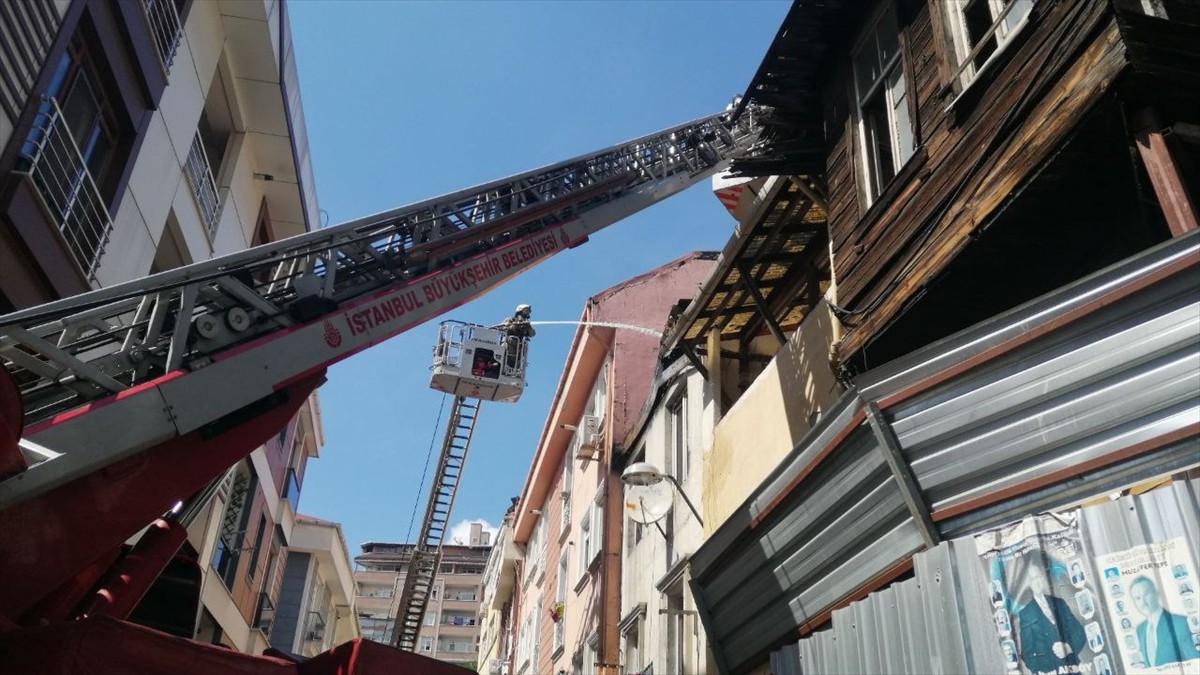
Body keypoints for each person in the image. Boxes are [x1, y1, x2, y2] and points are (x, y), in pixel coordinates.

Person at [1015, 557, 1087, 675]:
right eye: (1032, 579)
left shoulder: (1059, 603)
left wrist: (1068, 647)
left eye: (1038, 577)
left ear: (1043, 579)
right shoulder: (1026, 613)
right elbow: (1027, 654)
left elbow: (1080, 632)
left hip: (1073, 669)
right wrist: (1042, 671)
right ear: (1028, 584)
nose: (1036, 581)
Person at [1129, 575, 1200, 666]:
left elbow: (1196, 664)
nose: (1143, 602)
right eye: (1137, 598)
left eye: (1146, 594)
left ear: (1157, 594)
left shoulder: (1181, 623)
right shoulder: (1140, 630)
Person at [495, 304, 534, 371]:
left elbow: (532, 334)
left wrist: (528, 327)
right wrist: (512, 327)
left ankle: (514, 365)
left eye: (528, 312)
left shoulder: (526, 325)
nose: (525, 314)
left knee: (523, 346)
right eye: (525, 311)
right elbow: (499, 328)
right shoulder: (510, 320)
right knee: (512, 339)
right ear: (519, 311)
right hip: (508, 344)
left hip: (519, 348)